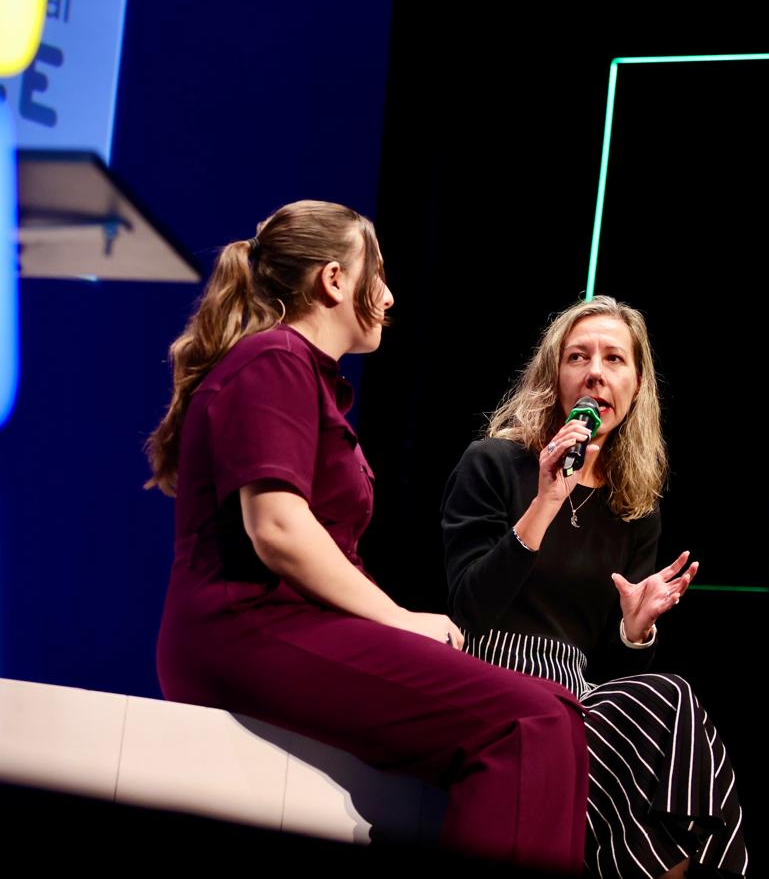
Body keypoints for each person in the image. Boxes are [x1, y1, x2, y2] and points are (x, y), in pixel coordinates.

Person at [149, 200, 588, 869]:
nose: (386, 294)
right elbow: (278, 529)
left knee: (557, 708)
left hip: (285, 627)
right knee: (529, 723)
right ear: (333, 281)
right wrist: (399, 621)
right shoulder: (274, 359)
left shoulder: (299, 373)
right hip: (247, 629)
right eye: (376, 273)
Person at [441, 296, 748, 878]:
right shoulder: (494, 464)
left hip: (580, 698)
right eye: (578, 357)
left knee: (652, 783)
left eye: (614, 359)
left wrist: (634, 631)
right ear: (555, 377)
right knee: (672, 698)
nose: (595, 372)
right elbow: (470, 607)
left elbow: (614, 670)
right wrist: (545, 501)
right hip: (491, 683)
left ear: (636, 387)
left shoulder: (634, 507)